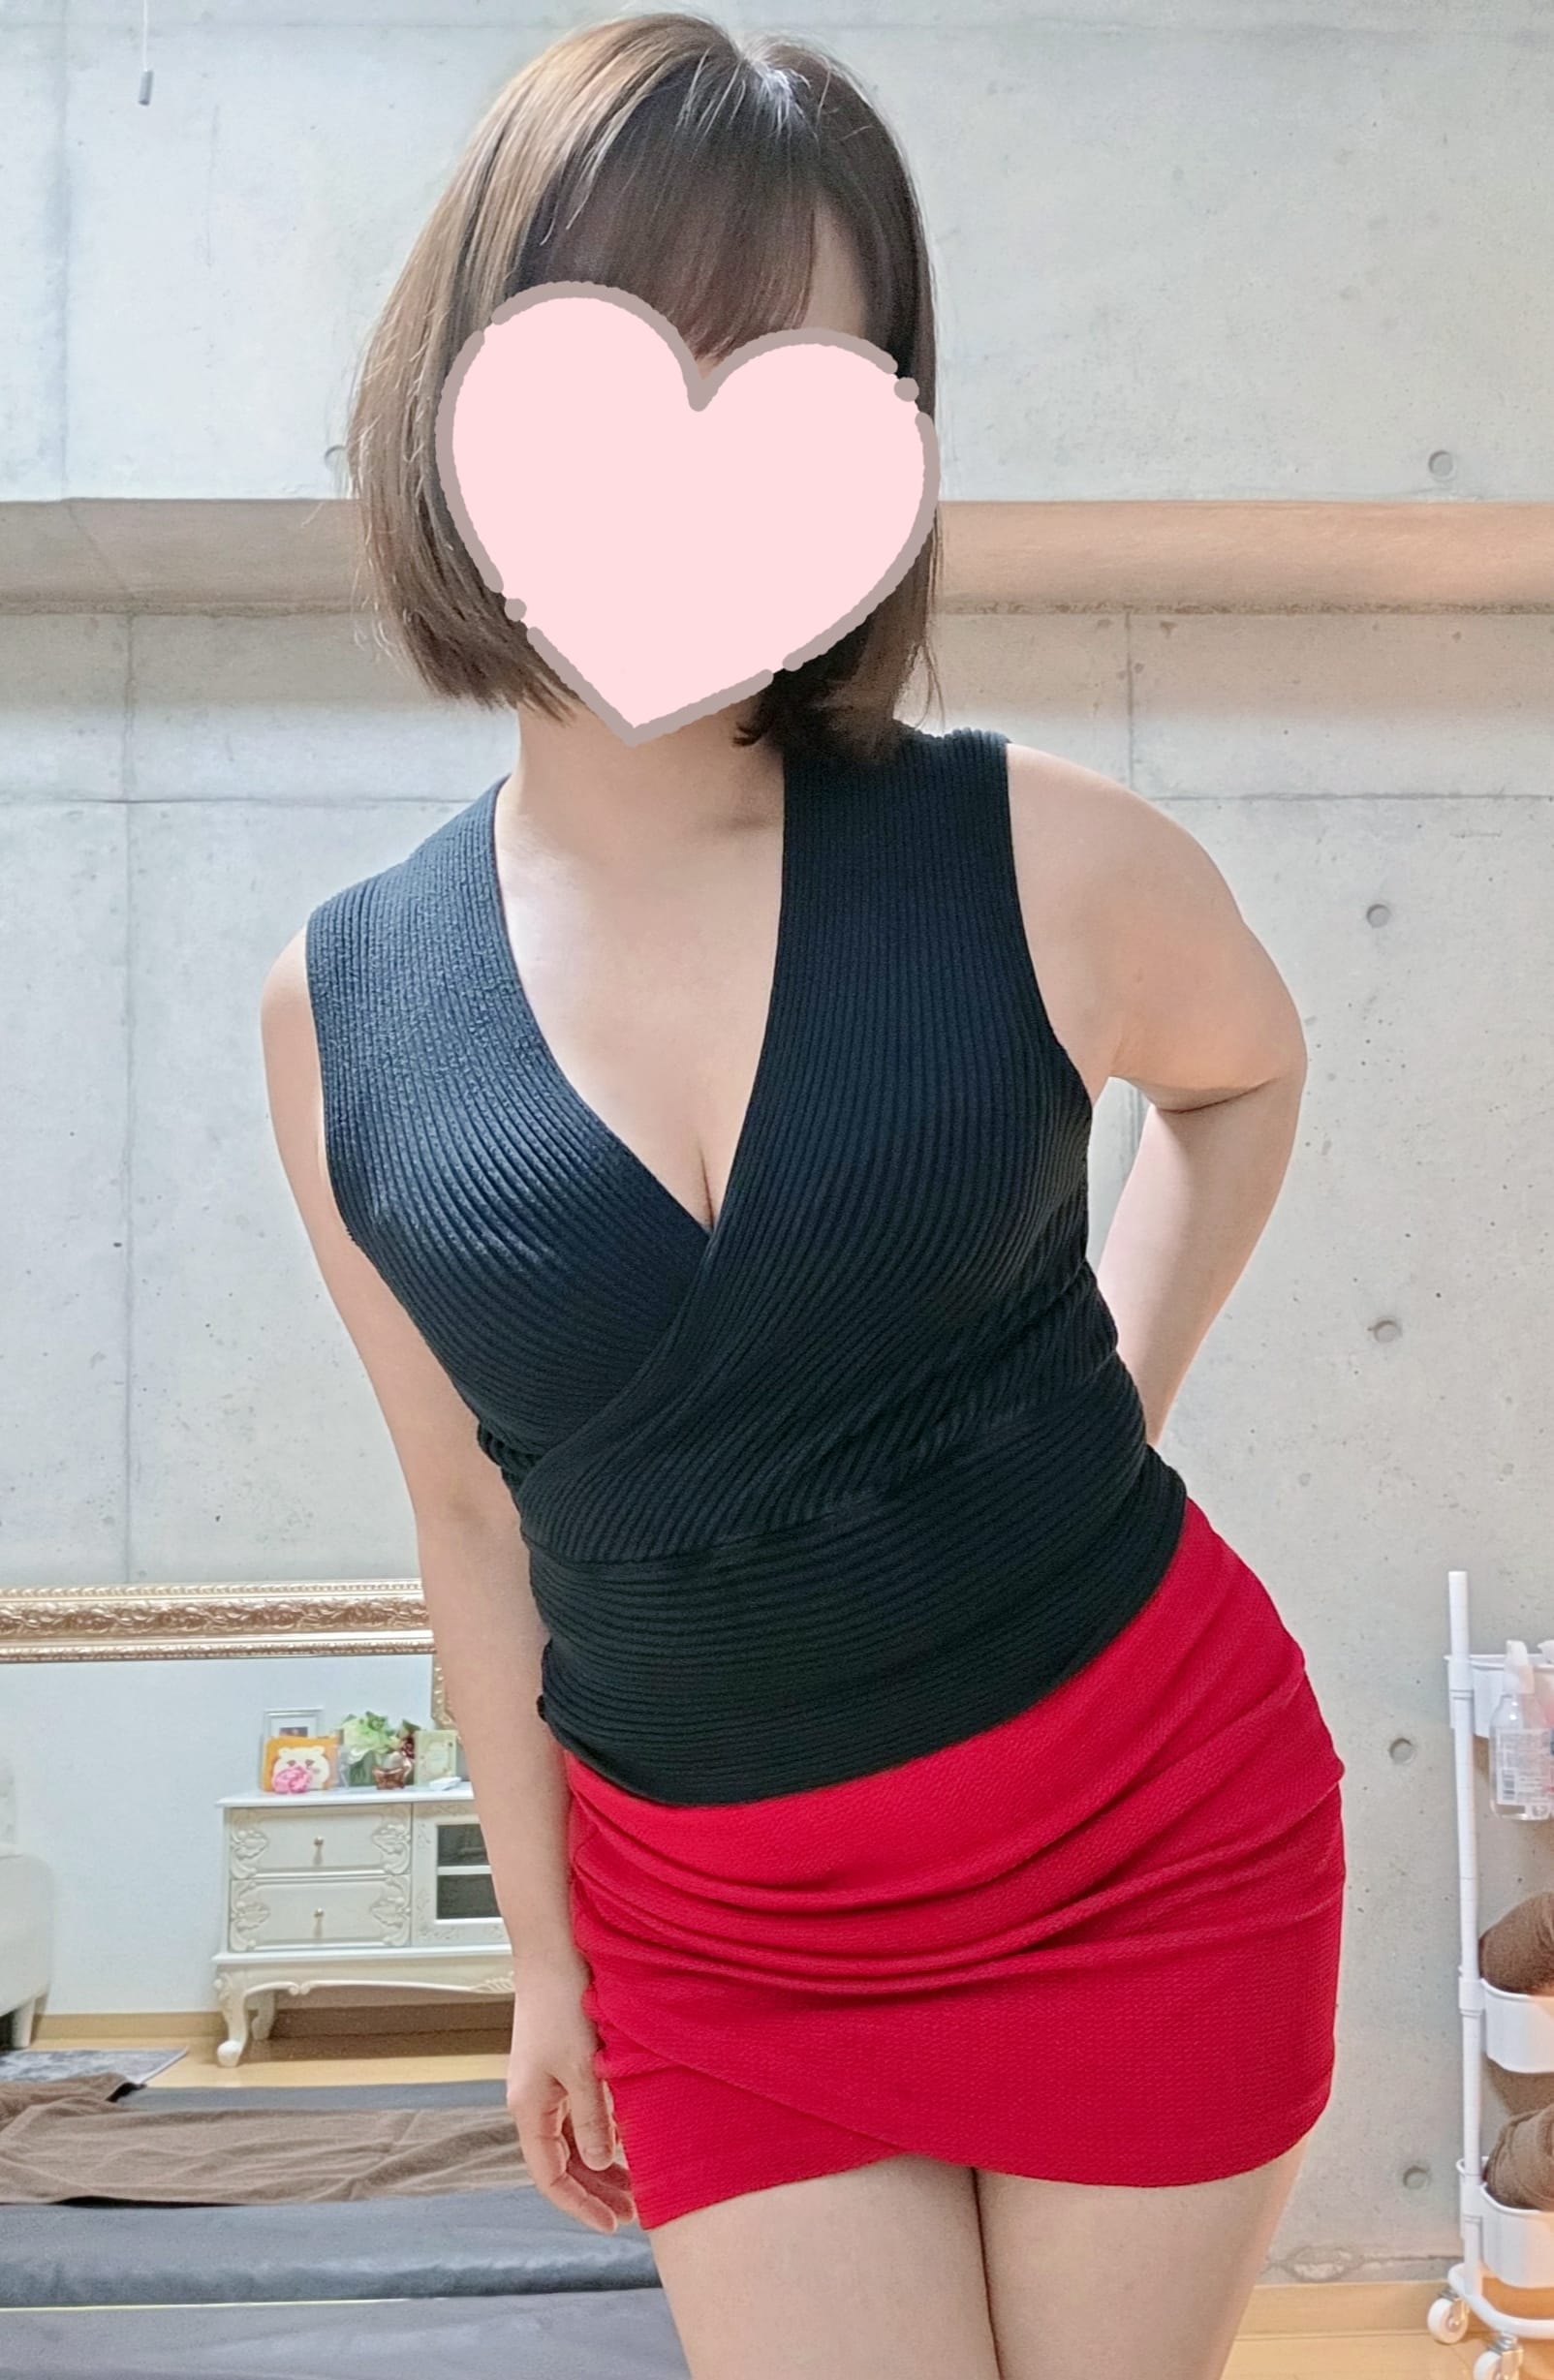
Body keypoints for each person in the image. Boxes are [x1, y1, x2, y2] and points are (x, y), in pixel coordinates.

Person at [261, 15, 1347, 2378]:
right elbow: (465, 1512)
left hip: (1147, 1838)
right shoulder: (339, 1010)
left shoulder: (1041, 851)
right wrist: (542, 1957)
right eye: (629, 356)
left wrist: (1123, 1379)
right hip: (717, 1940)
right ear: (457, 396)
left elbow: (1244, 1075)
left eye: (789, 376)